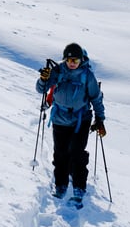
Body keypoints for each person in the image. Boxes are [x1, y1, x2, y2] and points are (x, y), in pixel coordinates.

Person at [36, 42, 106, 202]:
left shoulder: (87, 76)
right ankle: (60, 185)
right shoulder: (58, 71)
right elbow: (42, 89)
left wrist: (100, 118)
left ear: (81, 60)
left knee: (77, 153)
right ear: (65, 60)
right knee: (60, 154)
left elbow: (96, 97)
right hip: (60, 119)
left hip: (81, 120)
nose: (72, 63)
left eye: (75, 60)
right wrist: (42, 79)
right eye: (69, 60)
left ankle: (79, 188)